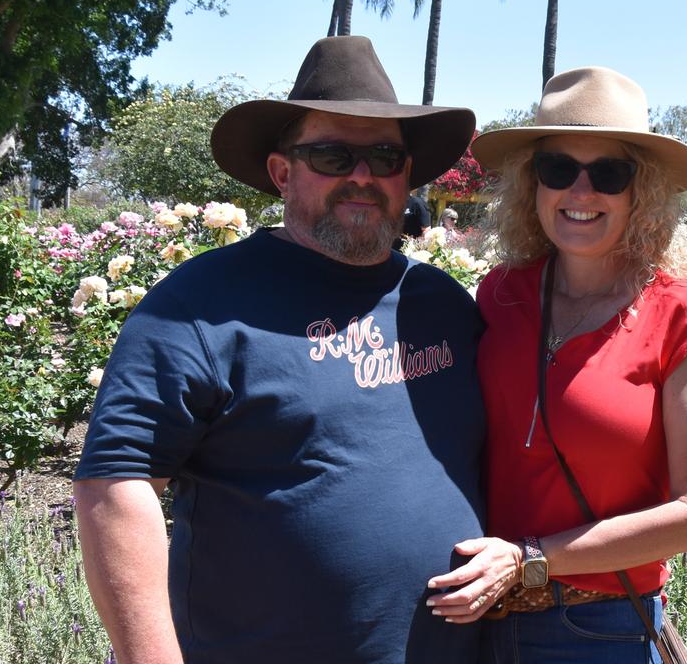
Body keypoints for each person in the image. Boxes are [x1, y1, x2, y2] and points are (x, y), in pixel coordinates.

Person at [73, 36, 486, 664]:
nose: (362, 175)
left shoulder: (442, 302)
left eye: (384, 155)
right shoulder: (199, 306)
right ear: (281, 172)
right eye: (332, 154)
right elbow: (116, 485)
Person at [424, 67, 687, 662]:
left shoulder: (684, 316)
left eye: (609, 174)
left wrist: (531, 557)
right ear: (533, 185)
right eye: (558, 169)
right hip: (471, 624)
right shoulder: (502, 293)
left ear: (640, 192)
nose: (581, 190)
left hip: (598, 631)